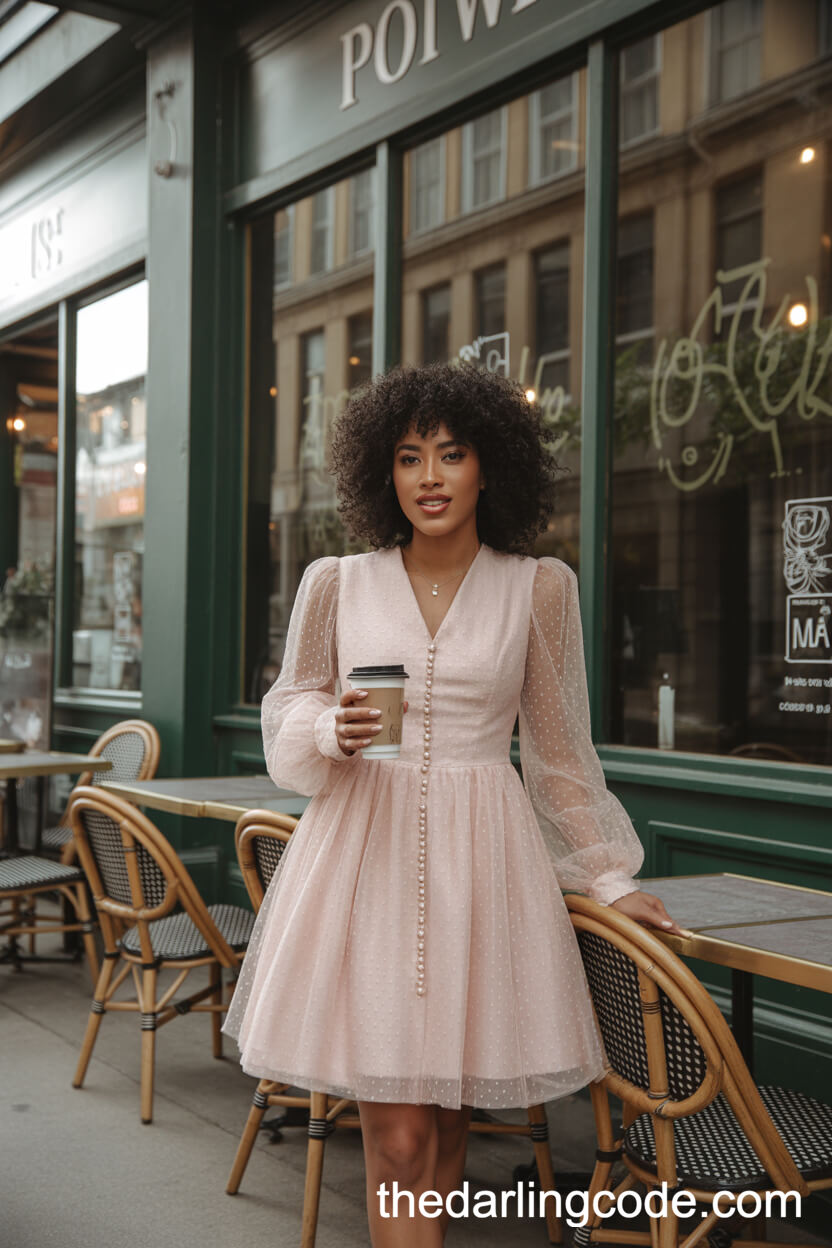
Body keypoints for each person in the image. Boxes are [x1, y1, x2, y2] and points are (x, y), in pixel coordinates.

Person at [224, 363, 680, 1247]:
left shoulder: (538, 586)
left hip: (486, 869)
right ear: (381, 474)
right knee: (394, 1134)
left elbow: (558, 755)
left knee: (447, 1120)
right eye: (407, 456)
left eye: (451, 453)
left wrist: (610, 878)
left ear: (488, 466)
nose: (429, 476)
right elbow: (288, 706)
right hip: (364, 861)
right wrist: (331, 729)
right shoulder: (337, 582)